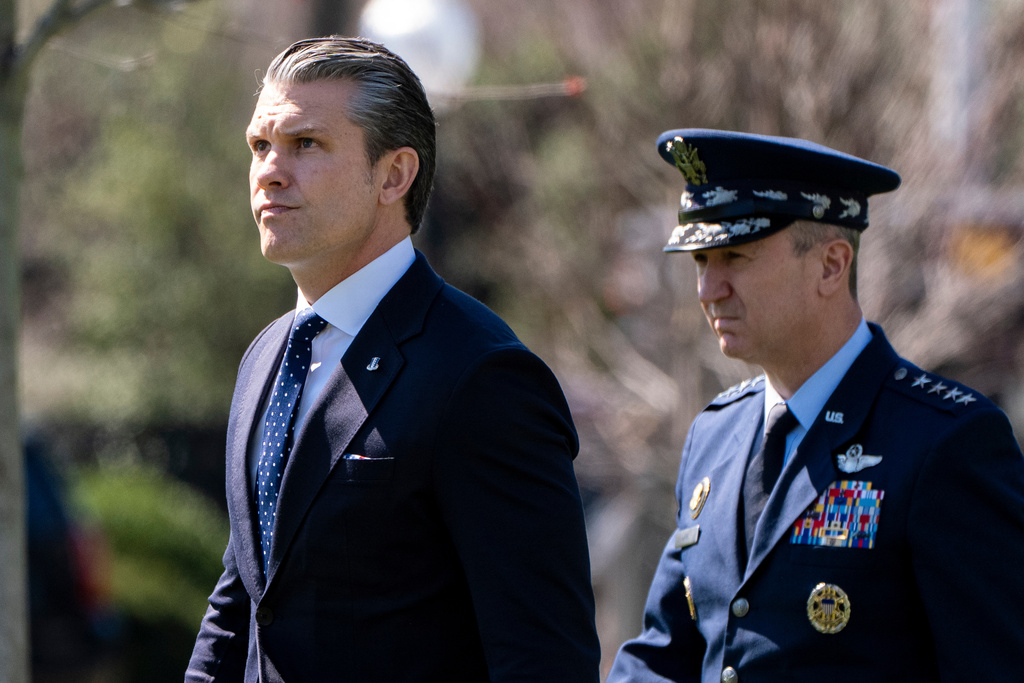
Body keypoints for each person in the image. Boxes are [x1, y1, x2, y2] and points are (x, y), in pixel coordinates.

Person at [185, 37, 600, 683]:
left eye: (307, 144)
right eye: (260, 145)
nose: (269, 169)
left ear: (394, 175)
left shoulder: (481, 374)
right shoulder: (268, 355)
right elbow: (241, 607)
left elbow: (542, 654)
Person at [608, 129, 1024, 682]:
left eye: (734, 256)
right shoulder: (714, 436)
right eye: (701, 261)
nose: (710, 288)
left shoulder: (944, 442)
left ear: (831, 265)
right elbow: (662, 658)